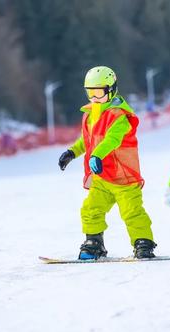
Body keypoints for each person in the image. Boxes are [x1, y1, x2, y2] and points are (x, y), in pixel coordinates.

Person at [58, 66, 156, 260]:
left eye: (98, 92)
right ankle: (94, 243)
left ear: (111, 90)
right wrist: (72, 152)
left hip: (124, 177)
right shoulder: (90, 114)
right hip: (102, 178)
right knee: (90, 209)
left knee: (132, 212)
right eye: (90, 92)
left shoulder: (120, 116)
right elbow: (86, 140)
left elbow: (112, 140)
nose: (94, 98)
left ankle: (143, 243)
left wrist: (97, 156)